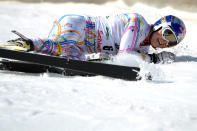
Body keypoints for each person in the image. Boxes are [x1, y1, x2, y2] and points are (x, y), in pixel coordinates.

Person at [5, 13, 186, 64]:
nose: (165, 42)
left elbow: (113, 60)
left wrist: (149, 58)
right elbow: (124, 55)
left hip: (81, 48)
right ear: (159, 26)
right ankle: (25, 44)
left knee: (73, 61)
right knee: (57, 46)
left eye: (172, 42)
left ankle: (25, 51)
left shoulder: (143, 49)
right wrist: (153, 60)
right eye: (167, 34)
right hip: (77, 27)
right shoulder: (138, 22)